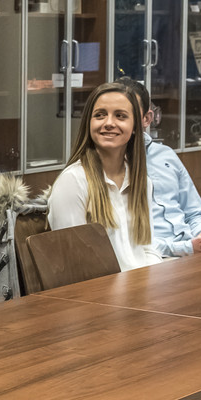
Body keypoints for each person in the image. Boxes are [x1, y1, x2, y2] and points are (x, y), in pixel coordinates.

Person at [47, 82, 162, 270]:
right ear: (89, 123)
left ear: (135, 126)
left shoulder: (143, 182)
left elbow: (148, 249)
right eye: (100, 115)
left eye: (120, 116)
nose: (109, 123)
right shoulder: (73, 181)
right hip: (98, 287)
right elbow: (75, 262)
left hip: (140, 283)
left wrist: (154, 280)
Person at [116, 77, 201, 257]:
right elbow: (126, 241)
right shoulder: (111, 166)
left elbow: (194, 213)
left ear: (147, 118)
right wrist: (187, 248)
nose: (113, 122)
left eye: (123, 114)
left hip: (193, 250)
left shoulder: (166, 155)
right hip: (153, 258)